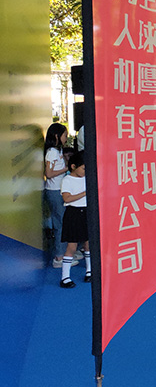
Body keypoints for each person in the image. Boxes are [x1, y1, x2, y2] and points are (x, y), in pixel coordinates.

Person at [58, 152, 90, 288]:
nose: (85, 171)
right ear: (73, 166)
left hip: (87, 212)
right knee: (72, 246)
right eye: (83, 168)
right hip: (73, 214)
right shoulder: (67, 180)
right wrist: (85, 192)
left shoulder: (87, 178)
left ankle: (89, 270)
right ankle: (65, 277)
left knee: (89, 243)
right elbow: (67, 198)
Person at [43, 123, 69, 266]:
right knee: (60, 224)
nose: (66, 138)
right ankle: (59, 257)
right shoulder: (52, 152)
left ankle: (64, 253)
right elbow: (49, 173)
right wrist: (65, 169)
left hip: (58, 190)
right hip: (54, 191)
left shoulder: (57, 151)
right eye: (65, 135)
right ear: (57, 136)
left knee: (61, 223)